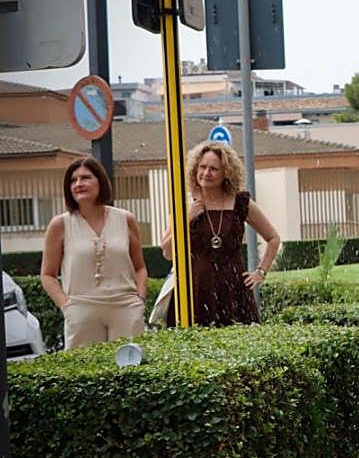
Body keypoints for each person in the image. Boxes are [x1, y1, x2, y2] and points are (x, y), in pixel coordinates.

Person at [159, 141, 281, 326]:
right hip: (194, 290)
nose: (206, 173)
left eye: (214, 169)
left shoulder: (241, 203)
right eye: (202, 167)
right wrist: (186, 219)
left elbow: (273, 238)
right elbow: (167, 252)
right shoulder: (184, 207)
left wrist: (260, 272)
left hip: (233, 291)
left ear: (226, 173)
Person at [40, 157, 148, 349]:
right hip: (81, 309)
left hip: (125, 307)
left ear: (100, 181)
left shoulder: (125, 219)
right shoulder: (60, 225)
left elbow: (140, 267)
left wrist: (139, 300)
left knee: (131, 371)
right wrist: (67, 307)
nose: (79, 184)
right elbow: (48, 275)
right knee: (84, 372)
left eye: (85, 178)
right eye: (73, 180)